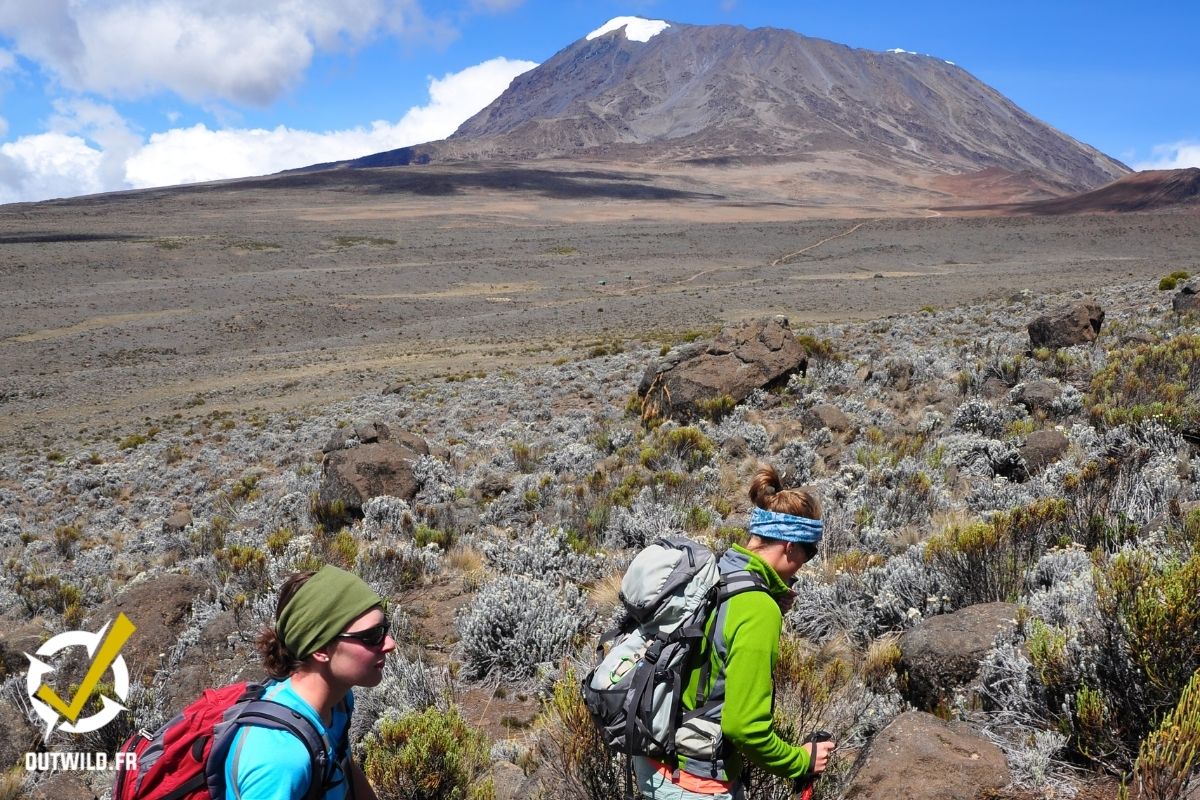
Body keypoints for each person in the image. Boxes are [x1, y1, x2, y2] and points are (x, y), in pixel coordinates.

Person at [634, 464, 837, 799]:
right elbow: (744, 728)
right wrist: (801, 761)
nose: (806, 564)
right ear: (789, 546)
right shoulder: (758, 609)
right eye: (809, 552)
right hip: (697, 783)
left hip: (654, 762)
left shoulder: (717, 571)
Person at [225, 565, 395, 800]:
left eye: (385, 629)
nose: (390, 643)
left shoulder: (338, 702)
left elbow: (343, 764)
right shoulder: (280, 759)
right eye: (372, 636)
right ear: (321, 649)